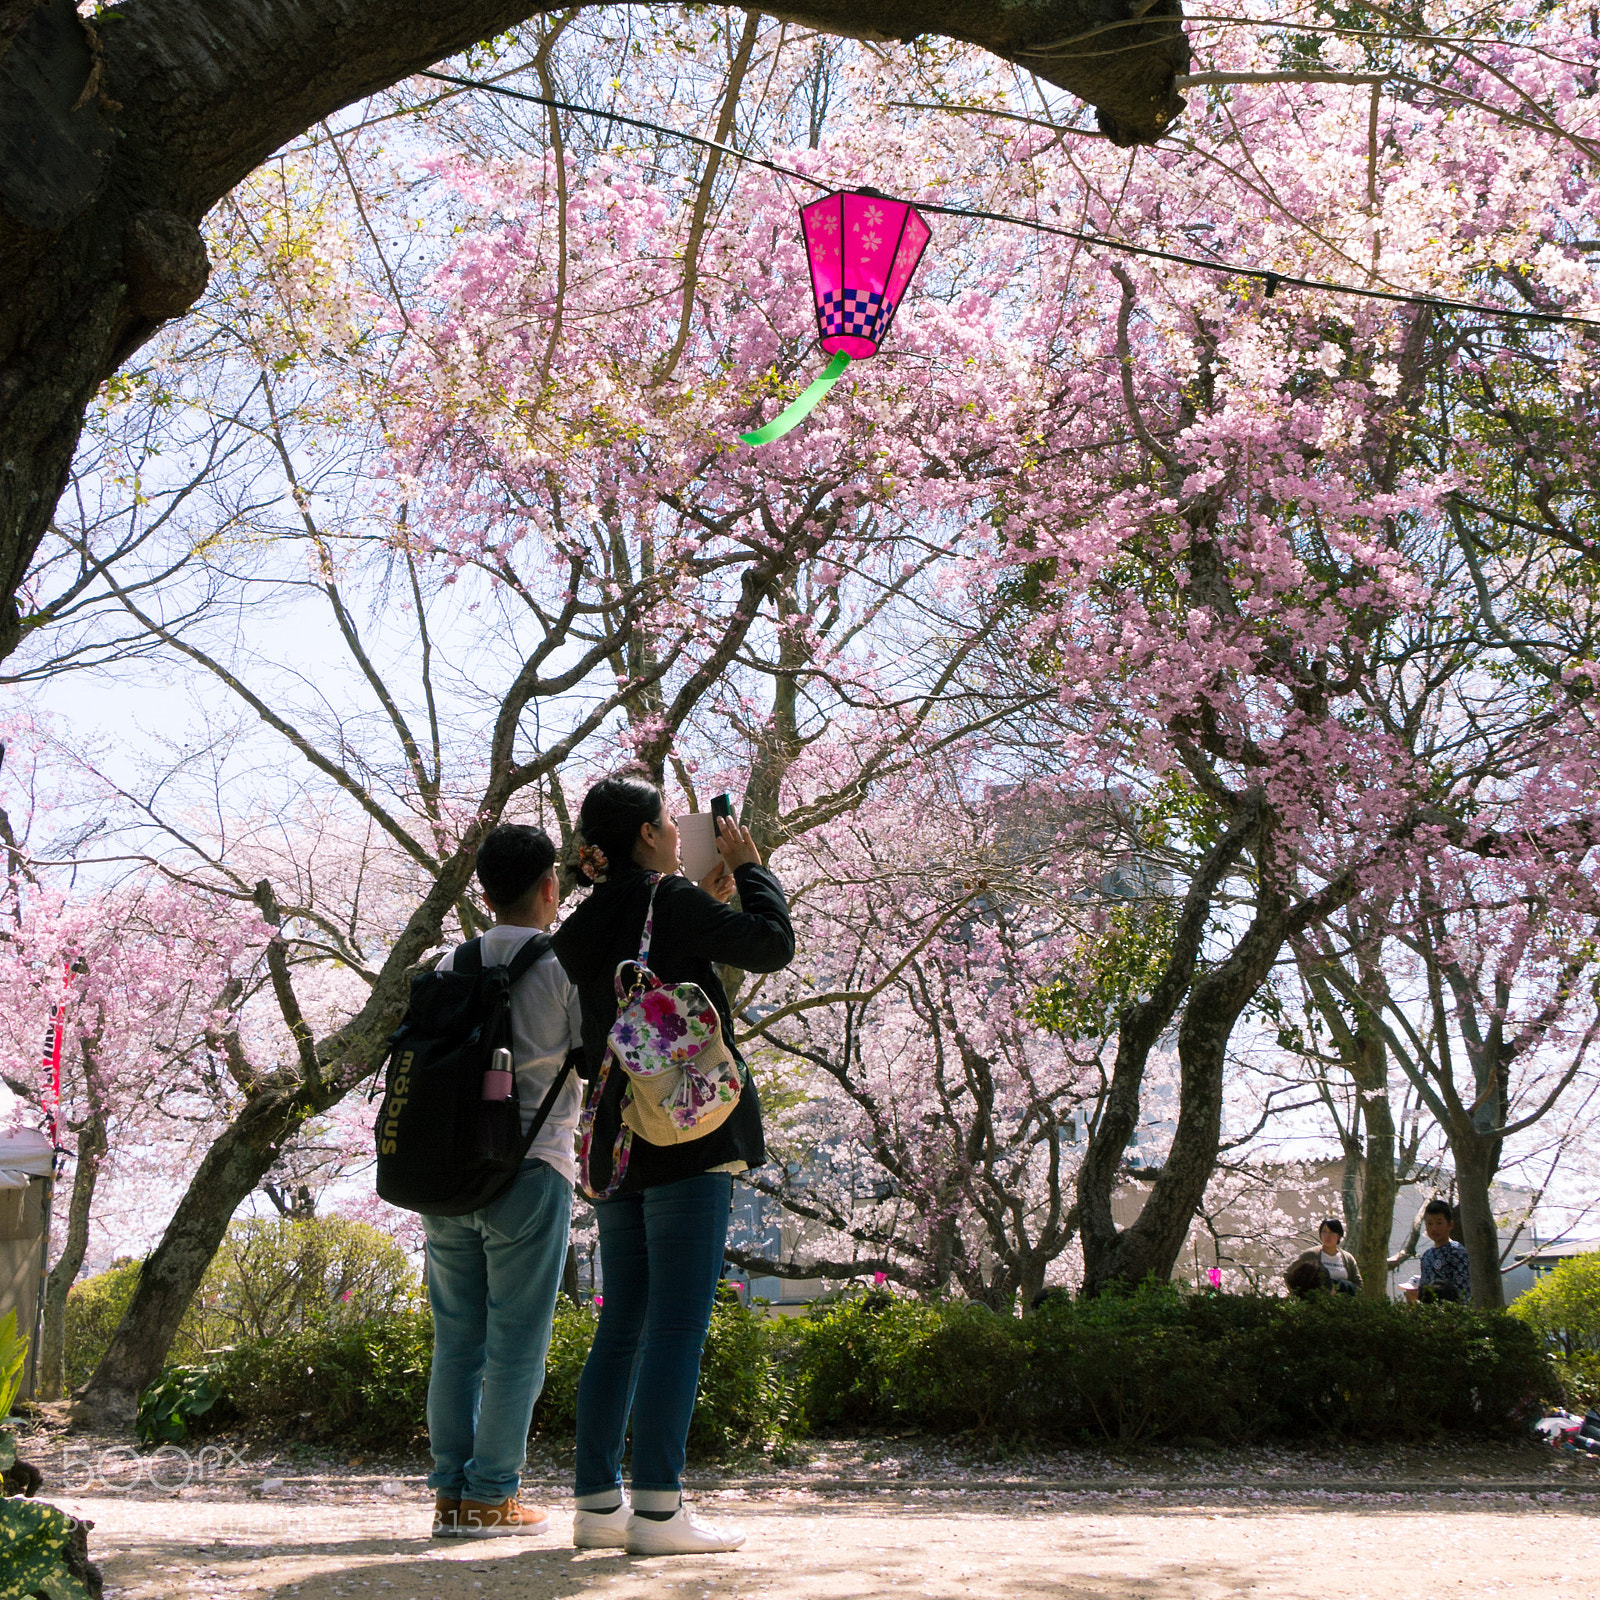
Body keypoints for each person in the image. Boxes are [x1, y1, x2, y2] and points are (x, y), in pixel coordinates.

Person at [552, 772, 794, 1556]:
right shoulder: (674, 901)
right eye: (664, 819)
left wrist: (705, 899)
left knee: (622, 1321)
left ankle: (597, 1503)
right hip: (689, 1133)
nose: (671, 826)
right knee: (680, 1322)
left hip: (616, 1142)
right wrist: (751, 872)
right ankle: (659, 1509)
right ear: (653, 836)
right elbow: (772, 946)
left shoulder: (583, 925)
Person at [423, 824, 584, 1541]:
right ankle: (492, 1496)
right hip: (530, 1166)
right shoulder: (564, 967)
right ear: (550, 886)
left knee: (456, 1340)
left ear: (485, 892)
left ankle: (451, 1497)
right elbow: (596, 1057)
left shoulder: (446, 966)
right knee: (517, 1342)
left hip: (448, 1175)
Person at [1287, 1217, 1362, 1297]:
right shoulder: (1311, 1254)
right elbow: (1288, 1273)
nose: (1327, 1236)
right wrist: (1296, 1295)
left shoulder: (1347, 1258)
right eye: (1324, 1232)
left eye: (1332, 1232)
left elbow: (1358, 1283)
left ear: (1339, 1236)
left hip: (1342, 1305)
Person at [1416, 1197, 1471, 1303]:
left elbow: (1463, 1291)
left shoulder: (1457, 1251)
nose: (1434, 1228)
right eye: (1429, 1223)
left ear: (1450, 1225)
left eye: (1439, 1223)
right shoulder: (1426, 1255)